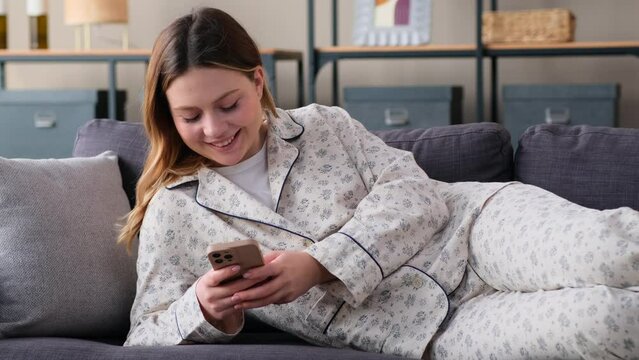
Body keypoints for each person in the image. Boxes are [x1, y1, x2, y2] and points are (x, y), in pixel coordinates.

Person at [119, 7, 639, 359]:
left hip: (475, 230)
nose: (214, 129)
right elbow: (144, 335)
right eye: (190, 115)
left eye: (228, 104)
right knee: (614, 319)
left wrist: (322, 263)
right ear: (167, 114)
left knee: (617, 250)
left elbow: (414, 192)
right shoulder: (175, 210)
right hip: (431, 327)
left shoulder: (322, 124)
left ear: (257, 81)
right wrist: (205, 309)